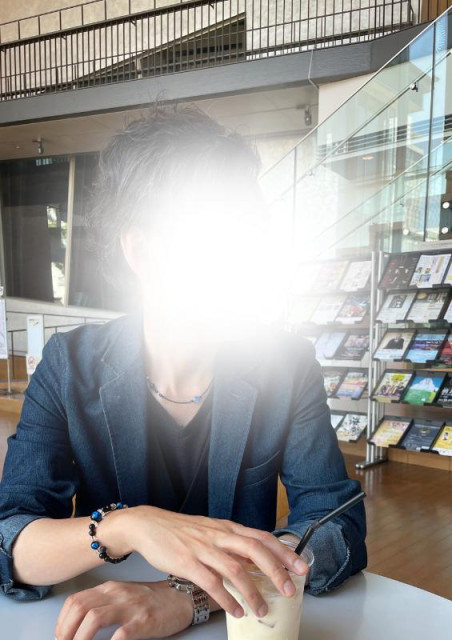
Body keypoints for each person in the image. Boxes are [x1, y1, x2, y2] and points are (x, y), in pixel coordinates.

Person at [0, 106, 367, 640]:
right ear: (142, 249)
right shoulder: (69, 365)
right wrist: (129, 525)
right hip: (101, 625)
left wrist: (188, 593)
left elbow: (337, 523)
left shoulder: (284, 364)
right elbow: (12, 537)